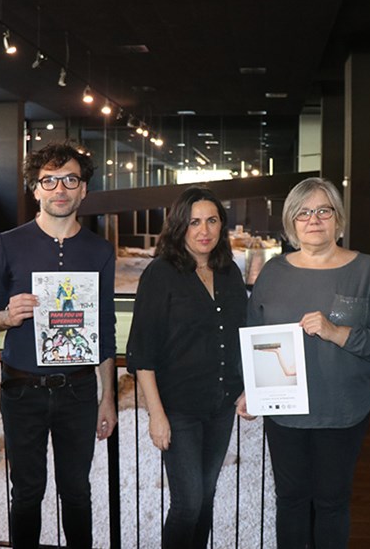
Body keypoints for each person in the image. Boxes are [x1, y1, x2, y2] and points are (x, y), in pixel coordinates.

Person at [237, 177, 370, 549]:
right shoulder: (273, 272)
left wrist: (337, 332)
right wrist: (252, 387)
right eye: (303, 213)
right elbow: (254, 334)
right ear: (291, 222)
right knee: (291, 500)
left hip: (342, 412)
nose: (313, 219)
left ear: (337, 219)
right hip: (285, 412)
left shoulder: (367, 270)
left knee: (332, 503)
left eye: (323, 211)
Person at [0, 141, 117, 549]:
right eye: (49, 180)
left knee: (77, 492)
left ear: (83, 189)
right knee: (26, 493)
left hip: (78, 391)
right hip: (22, 390)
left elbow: (104, 328)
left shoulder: (100, 250)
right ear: (35, 189)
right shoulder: (6, 243)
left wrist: (107, 398)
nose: (60, 189)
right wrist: (6, 316)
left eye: (70, 179)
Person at [126, 187, 248, 549]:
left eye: (212, 220)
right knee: (188, 502)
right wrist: (156, 415)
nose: (204, 230)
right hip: (179, 408)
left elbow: (242, 335)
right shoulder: (160, 274)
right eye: (194, 222)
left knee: (206, 495)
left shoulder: (229, 272)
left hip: (221, 405)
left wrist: (250, 387)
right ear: (180, 226)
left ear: (222, 225)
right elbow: (142, 352)